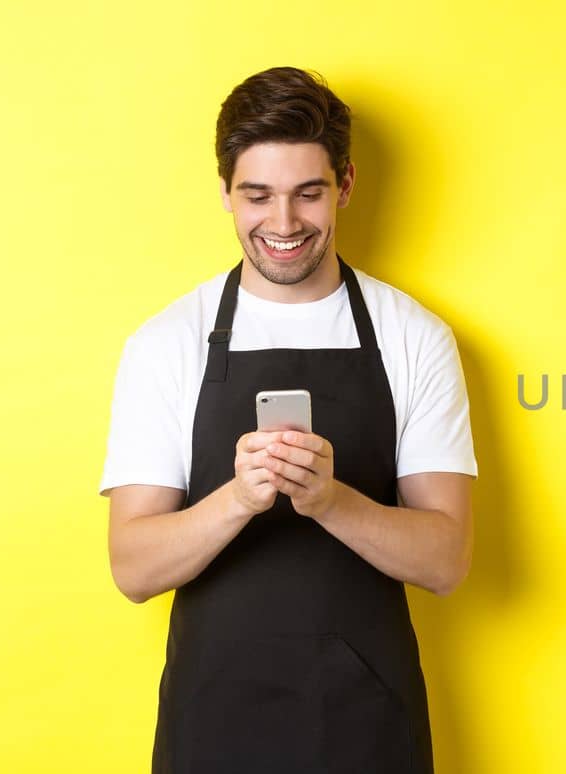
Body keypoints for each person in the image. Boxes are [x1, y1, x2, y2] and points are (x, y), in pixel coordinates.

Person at [100, 66, 477, 773]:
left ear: (346, 186)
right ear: (224, 194)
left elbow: (447, 561)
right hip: (211, 724)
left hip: (369, 725)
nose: (283, 224)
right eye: (258, 195)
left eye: (308, 193)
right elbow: (134, 568)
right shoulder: (167, 342)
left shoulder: (413, 336)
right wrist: (241, 499)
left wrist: (328, 500)